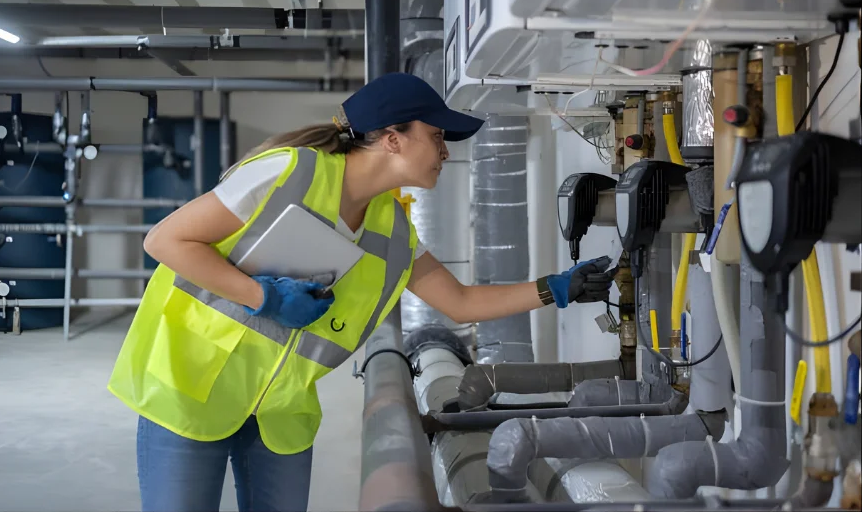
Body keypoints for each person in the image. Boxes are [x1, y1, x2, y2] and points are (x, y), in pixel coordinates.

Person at [107, 72, 616, 512]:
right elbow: (165, 240)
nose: (445, 151)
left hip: (280, 413)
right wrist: (263, 298)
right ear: (392, 138)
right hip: (191, 386)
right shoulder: (289, 172)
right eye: (436, 135)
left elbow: (460, 303)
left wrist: (556, 288)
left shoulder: (392, 230)